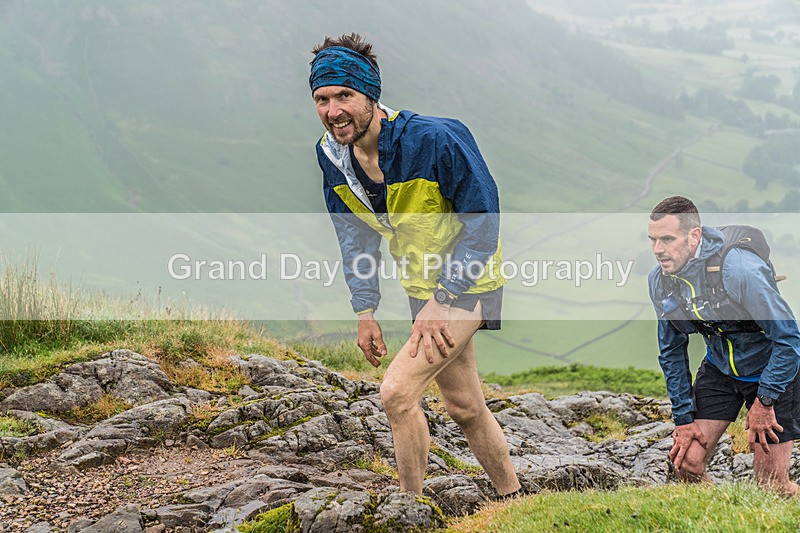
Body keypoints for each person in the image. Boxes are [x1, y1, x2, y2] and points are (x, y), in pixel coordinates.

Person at [309, 33, 522, 498]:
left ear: (371, 95)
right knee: (464, 406)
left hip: (468, 284)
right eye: (322, 99)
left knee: (397, 392)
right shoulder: (333, 158)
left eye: (345, 95)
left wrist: (442, 300)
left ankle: (410, 509)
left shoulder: (436, 139)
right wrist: (365, 311)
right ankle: (513, 499)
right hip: (422, 288)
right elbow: (355, 236)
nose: (333, 110)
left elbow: (484, 221)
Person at [647, 195, 800, 495]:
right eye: (652, 239)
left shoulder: (739, 270)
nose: (658, 250)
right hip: (720, 370)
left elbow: (789, 339)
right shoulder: (662, 280)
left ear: (694, 236)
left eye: (667, 239)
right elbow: (671, 351)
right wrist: (683, 418)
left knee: (772, 488)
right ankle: (722, 516)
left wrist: (765, 401)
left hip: (772, 370)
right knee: (687, 463)